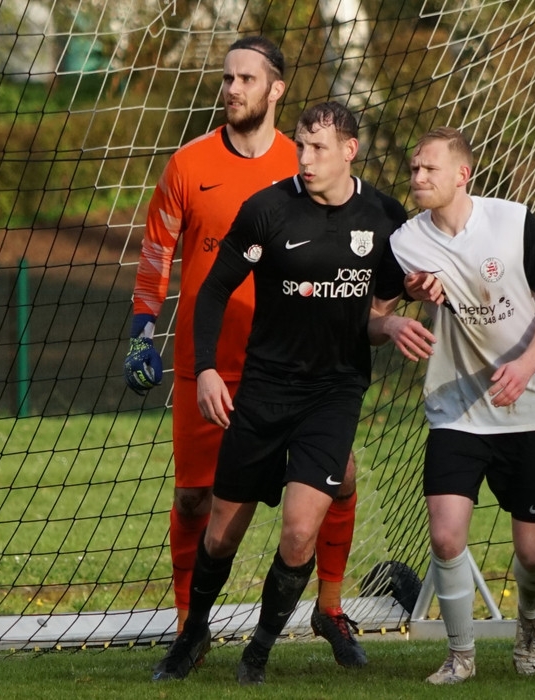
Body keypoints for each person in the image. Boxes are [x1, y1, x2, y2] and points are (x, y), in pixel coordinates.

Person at [152, 101, 434, 686]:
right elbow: (212, 292)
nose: (304, 158)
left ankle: (257, 653)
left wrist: (398, 316)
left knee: (301, 530)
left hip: (334, 393)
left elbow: (375, 314)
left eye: (318, 148)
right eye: (301, 145)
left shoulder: (385, 217)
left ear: (349, 151)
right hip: (264, 389)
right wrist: (207, 370)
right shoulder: (268, 209)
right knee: (221, 533)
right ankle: (193, 633)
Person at [122, 37, 367, 667]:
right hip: (205, 363)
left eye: (246, 79)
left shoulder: (305, 162)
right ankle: (190, 629)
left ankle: (330, 607)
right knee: (195, 500)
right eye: (227, 78)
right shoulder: (187, 164)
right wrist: (143, 328)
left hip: (291, 365)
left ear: (276, 89)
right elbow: (157, 250)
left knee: (340, 479)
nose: (232, 89)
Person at [370, 127, 535, 684]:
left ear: (462, 175)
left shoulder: (513, 221)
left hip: (529, 409)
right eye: (414, 168)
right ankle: (460, 655)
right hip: (455, 409)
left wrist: (525, 365)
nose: (417, 177)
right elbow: (371, 319)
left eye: (429, 169)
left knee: (533, 554)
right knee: (444, 536)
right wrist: (393, 323)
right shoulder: (404, 244)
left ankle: (530, 621)